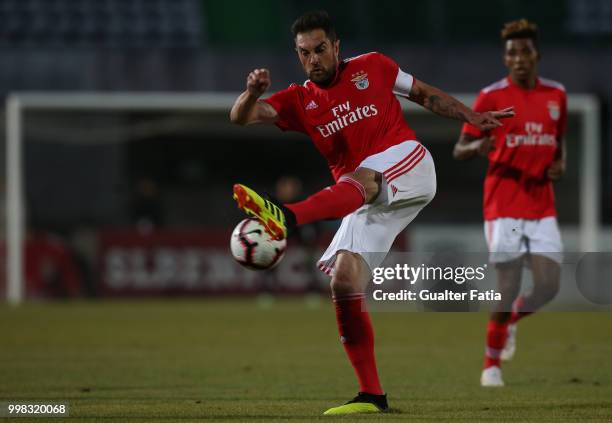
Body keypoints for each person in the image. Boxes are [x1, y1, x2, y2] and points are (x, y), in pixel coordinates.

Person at [230, 10, 513, 414]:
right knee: (344, 283)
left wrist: (471, 116)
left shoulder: (373, 66)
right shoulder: (298, 100)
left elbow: (424, 94)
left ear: (336, 47)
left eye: (320, 49)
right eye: (304, 53)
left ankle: (287, 217)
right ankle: (372, 396)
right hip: (364, 196)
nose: (313, 59)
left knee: (362, 177)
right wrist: (252, 92)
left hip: (409, 164)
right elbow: (240, 117)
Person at [453, 19, 566, 387]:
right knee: (508, 284)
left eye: (525, 52)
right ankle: (491, 365)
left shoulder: (557, 96)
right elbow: (460, 149)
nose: (519, 59)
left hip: (541, 205)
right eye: (512, 53)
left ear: (537, 55)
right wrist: (479, 146)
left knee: (549, 285)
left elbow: (557, 144)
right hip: (506, 207)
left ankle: (512, 320)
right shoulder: (491, 98)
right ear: (505, 60)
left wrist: (558, 164)